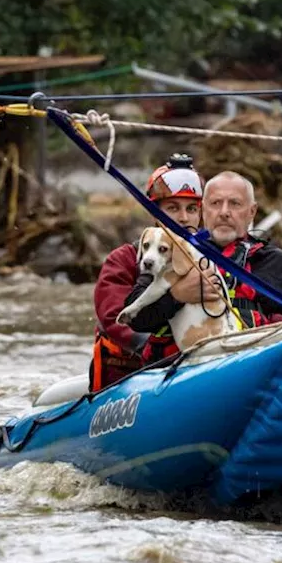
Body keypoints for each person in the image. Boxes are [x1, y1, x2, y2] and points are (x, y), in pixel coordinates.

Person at [120, 171, 282, 359]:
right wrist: (177, 296)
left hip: (247, 361)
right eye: (215, 203)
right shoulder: (175, 254)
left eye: (235, 203)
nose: (224, 212)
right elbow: (137, 320)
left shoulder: (277, 264)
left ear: (252, 212)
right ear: (204, 210)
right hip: (183, 370)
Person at [89, 154, 221, 392]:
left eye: (192, 208)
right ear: (154, 213)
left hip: (201, 365)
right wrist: (175, 298)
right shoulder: (124, 260)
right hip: (133, 376)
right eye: (172, 208)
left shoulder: (214, 259)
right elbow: (114, 318)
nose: (183, 217)